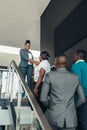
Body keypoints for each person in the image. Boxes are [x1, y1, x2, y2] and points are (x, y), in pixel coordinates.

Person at [40, 54, 86, 130]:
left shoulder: (50, 76)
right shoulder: (75, 77)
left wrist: (51, 106)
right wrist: (72, 107)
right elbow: (82, 99)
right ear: (66, 63)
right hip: (71, 119)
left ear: (56, 62)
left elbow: (43, 99)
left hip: (53, 117)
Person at [71, 49, 87, 130]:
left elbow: (77, 82)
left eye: (74, 55)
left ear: (77, 56)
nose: (73, 57)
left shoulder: (76, 66)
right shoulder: (86, 65)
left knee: (82, 121)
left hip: (82, 97)